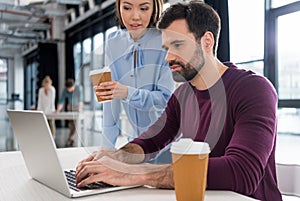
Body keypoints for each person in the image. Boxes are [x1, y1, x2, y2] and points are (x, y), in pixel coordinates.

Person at [76, 2, 282, 201]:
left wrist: (134, 174)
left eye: (177, 45)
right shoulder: (182, 95)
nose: (168, 58)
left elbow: (242, 173)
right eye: (166, 48)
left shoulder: (254, 89)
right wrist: (117, 158)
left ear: (207, 42)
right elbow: (151, 142)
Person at [94, 0, 175, 159]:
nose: (135, 16)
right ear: (119, 7)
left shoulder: (165, 41)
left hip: (168, 144)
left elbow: (165, 100)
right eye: (127, 7)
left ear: (154, 8)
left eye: (144, 8)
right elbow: (111, 98)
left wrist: (127, 93)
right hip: (137, 145)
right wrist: (107, 148)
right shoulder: (113, 43)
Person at [56, 78, 83, 147]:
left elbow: (80, 100)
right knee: (71, 123)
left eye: (70, 89)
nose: (69, 90)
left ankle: (71, 138)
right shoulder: (65, 90)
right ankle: (71, 138)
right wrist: (58, 110)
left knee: (76, 123)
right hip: (70, 106)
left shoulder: (79, 88)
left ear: (74, 85)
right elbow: (61, 101)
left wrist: (79, 109)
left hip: (78, 106)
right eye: (68, 89)